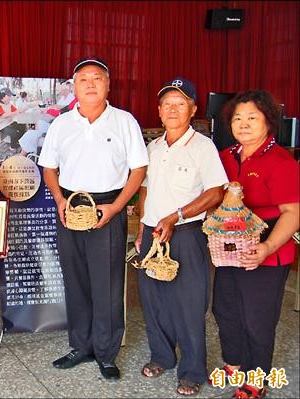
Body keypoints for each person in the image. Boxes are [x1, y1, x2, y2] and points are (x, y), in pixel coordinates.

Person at [37, 56, 148, 381]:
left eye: (96, 78)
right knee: (76, 281)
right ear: (73, 86)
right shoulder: (62, 123)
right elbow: (49, 168)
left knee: (108, 283)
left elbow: (139, 169)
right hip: (70, 207)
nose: (89, 83)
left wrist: (116, 208)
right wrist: (58, 200)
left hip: (108, 208)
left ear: (108, 85)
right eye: (83, 78)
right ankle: (81, 346)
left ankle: (105, 352)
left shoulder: (124, 121)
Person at [134, 78, 228, 396]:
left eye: (181, 103)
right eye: (167, 103)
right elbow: (144, 191)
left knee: (188, 305)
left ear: (193, 109)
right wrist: (142, 231)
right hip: (152, 236)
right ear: (159, 112)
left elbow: (216, 191)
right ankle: (162, 356)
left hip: (186, 235)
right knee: (154, 301)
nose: (173, 108)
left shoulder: (203, 147)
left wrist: (177, 216)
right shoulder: (153, 147)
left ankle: (192, 370)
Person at [212, 90, 299, 399]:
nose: (243, 124)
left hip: (267, 248)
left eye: (252, 118)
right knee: (225, 309)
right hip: (229, 248)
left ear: (268, 121)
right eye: (237, 118)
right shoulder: (225, 156)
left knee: (257, 318)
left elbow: (292, 214)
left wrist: (267, 247)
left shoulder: (280, 161)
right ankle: (234, 365)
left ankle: (256, 378)